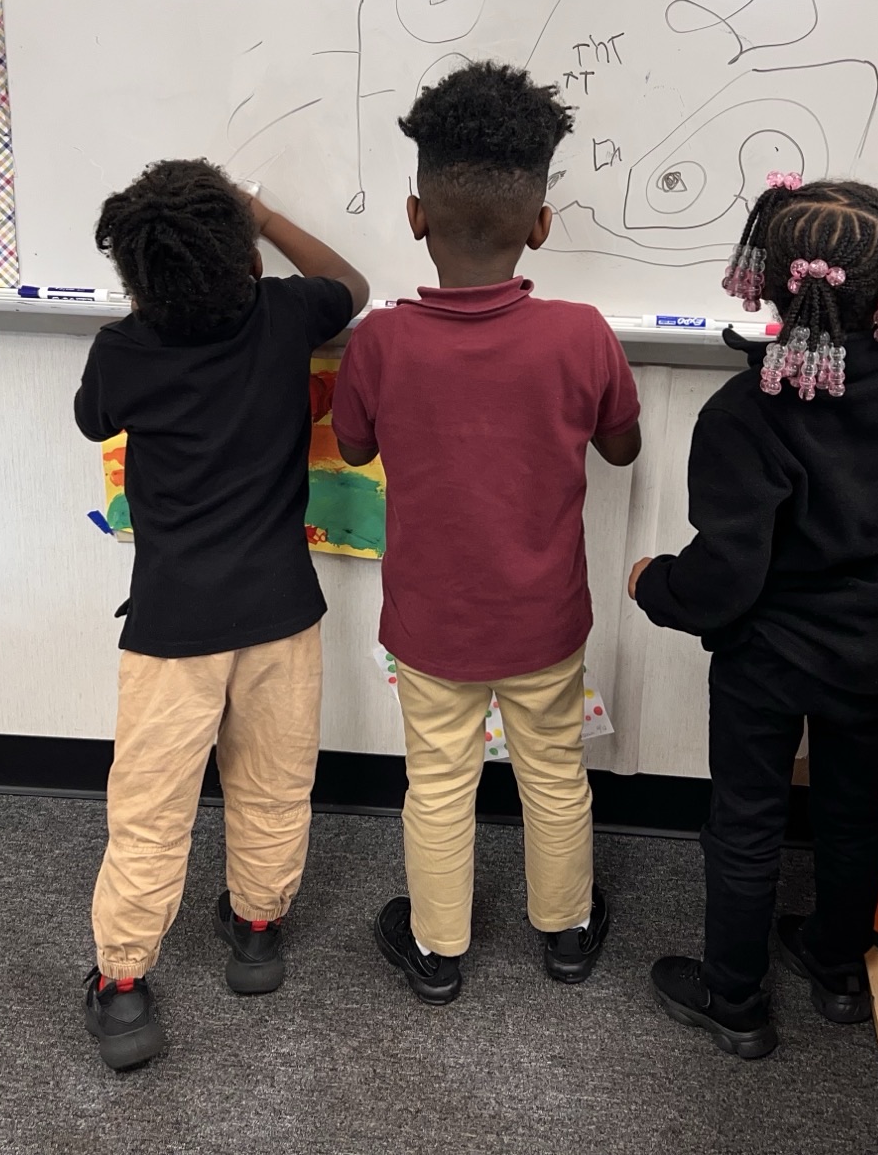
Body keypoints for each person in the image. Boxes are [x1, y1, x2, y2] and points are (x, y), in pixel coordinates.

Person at [628, 177, 878, 1060]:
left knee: (747, 819)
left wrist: (655, 585)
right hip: (869, 651)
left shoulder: (744, 414)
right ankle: (838, 968)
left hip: (764, 659)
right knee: (848, 809)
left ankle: (735, 999)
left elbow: (724, 578)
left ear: (764, 276)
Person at [334, 62, 642, 1005]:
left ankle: (438, 952)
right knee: (555, 773)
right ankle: (566, 934)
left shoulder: (380, 342)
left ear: (415, 215)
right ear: (541, 224)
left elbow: (351, 446)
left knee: (437, 782)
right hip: (545, 619)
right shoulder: (583, 333)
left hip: (431, 623)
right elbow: (622, 449)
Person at [74, 159, 368, 1070]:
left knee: (152, 808)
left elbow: (93, 421)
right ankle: (255, 932)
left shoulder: (123, 353)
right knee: (275, 781)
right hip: (282, 612)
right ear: (243, 260)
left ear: (137, 276)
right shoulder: (283, 317)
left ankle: (123, 989)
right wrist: (264, 216)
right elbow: (351, 287)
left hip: (172, 629)